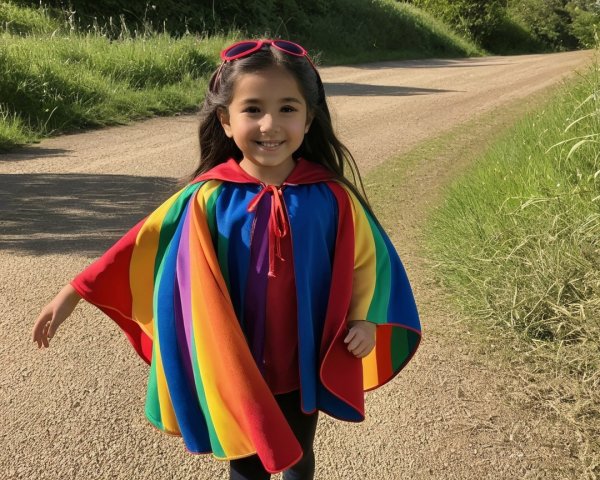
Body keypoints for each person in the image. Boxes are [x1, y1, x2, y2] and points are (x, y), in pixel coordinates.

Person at [31, 39, 421, 480]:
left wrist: (364, 318)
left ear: (310, 119)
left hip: (305, 350)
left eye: (288, 108)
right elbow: (140, 244)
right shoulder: (206, 197)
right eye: (252, 108)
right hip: (235, 354)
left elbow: (369, 262)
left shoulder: (331, 197)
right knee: (246, 457)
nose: (270, 123)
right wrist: (73, 293)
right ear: (225, 119)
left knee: (297, 452)